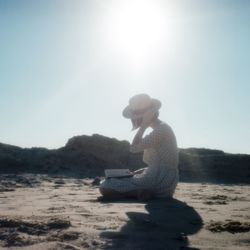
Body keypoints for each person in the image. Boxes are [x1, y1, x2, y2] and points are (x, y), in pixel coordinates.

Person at [99, 93, 179, 201]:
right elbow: (161, 162)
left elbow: (134, 148)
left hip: (158, 180)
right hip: (165, 181)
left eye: (134, 117)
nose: (133, 120)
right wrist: (139, 171)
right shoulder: (162, 128)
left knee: (105, 185)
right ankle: (138, 191)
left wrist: (144, 125)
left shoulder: (161, 129)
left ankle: (137, 192)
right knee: (116, 179)